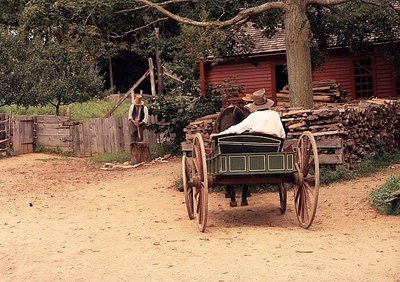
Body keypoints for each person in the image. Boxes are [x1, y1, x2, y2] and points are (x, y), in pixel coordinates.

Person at [211, 88, 286, 139]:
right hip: (276, 146)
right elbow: (282, 134)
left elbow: (237, 129)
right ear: (267, 103)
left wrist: (218, 135)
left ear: (255, 105)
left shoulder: (254, 116)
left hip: (256, 146)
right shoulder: (275, 115)